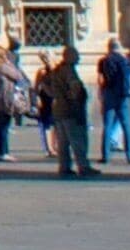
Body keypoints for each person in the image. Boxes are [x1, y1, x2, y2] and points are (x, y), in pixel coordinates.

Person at [41, 49, 95, 178]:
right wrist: (74, 100)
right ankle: (83, 166)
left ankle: (64, 167)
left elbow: (46, 88)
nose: (79, 58)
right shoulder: (69, 71)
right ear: (69, 57)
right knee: (77, 140)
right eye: (76, 56)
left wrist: (57, 97)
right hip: (71, 111)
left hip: (58, 110)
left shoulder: (55, 71)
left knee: (63, 142)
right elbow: (75, 88)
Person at [0, 44, 25, 162]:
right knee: (4, 127)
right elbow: (18, 76)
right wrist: (9, 62)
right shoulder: (2, 67)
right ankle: (3, 152)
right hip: (4, 100)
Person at [97, 40, 130, 163]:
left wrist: (102, 93)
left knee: (107, 125)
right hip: (122, 95)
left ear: (109, 48)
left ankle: (106, 156)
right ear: (118, 48)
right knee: (126, 125)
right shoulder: (124, 60)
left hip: (108, 93)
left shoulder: (103, 61)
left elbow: (100, 79)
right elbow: (129, 77)